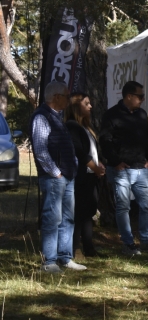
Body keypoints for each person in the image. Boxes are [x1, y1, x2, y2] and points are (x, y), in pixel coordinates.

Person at [99, 81, 148, 256]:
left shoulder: (142, 114)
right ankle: (128, 243)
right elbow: (105, 141)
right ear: (129, 96)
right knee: (123, 206)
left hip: (140, 168)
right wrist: (115, 162)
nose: (143, 100)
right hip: (121, 169)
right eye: (140, 96)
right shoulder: (111, 115)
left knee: (147, 204)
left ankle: (146, 241)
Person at [29, 81, 86, 272]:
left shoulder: (56, 117)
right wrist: (56, 173)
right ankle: (49, 262)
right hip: (55, 177)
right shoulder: (41, 117)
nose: (69, 100)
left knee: (68, 218)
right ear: (56, 97)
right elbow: (40, 150)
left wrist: (73, 167)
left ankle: (65, 257)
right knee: (52, 218)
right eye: (66, 96)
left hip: (67, 176)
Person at [65, 92, 105, 260]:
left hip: (91, 176)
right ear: (76, 106)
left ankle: (89, 248)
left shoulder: (86, 127)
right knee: (79, 214)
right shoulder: (72, 126)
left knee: (89, 212)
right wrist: (94, 167)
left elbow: (92, 151)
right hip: (80, 176)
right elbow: (79, 152)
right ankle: (74, 249)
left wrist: (100, 165)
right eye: (86, 103)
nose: (90, 106)